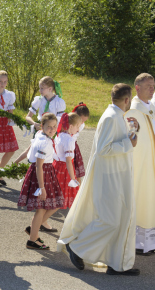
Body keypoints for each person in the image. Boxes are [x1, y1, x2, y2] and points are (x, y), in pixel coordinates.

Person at [57, 83, 140, 276]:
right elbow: (104, 149)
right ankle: (76, 247)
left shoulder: (118, 116)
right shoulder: (111, 117)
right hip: (110, 177)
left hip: (119, 175)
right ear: (127, 99)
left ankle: (117, 264)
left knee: (120, 219)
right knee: (110, 220)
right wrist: (129, 143)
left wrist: (131, 133)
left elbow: (118, 141)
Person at [17, 113, 64, 250]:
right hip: (42, 174)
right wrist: (42, 187)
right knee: (42, 208)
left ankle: (33, 229)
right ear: (42, 126)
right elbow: (39, 166)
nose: (52, 129)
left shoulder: (40, 135)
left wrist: (15, 162)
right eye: (49, 127)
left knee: (54, 204)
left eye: (54, 126)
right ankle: (32, 239)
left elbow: (28, 151)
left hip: (47, 173)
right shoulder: (43, 142)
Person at [124, 73, 155, 256]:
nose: (152, 89)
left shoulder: (151, 107)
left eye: (153, 86)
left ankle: (149, 243)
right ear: (137, 87)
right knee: (139, 197)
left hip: (151, 162)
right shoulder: (133, 111)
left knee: (150, 200)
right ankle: (136, 243)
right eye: (148, 86)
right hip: (139, 164)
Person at [14, 76, 66, 165]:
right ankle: (15, 165)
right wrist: (34, 124)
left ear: (50, 89)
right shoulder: (39, 100)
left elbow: (60, 120)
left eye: (42, 88)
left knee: (51, 154)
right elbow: (28, 117)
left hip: (52, 131)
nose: (40, 90)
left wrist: (53, 128)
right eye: (39, 88)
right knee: (32, 150)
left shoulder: (58, 102)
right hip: (40, 130)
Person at [53, 112, 81, 209]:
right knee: (63, 194)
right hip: (64, 169)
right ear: (71, 126)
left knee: (56, 193)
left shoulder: (60, 135)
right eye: (77, 127)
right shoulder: (69, 140)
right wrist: (73, 178)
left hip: (56, 166)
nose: (78, 130)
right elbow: (68, 161)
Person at [71, 103, 90, 184]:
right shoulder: (64, 120)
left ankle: (78, 192)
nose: (82, 123)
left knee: (76, 171)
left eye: (83, 121)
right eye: (81, 120)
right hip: (66, 146)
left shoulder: (81, 125)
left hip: (73, 147)